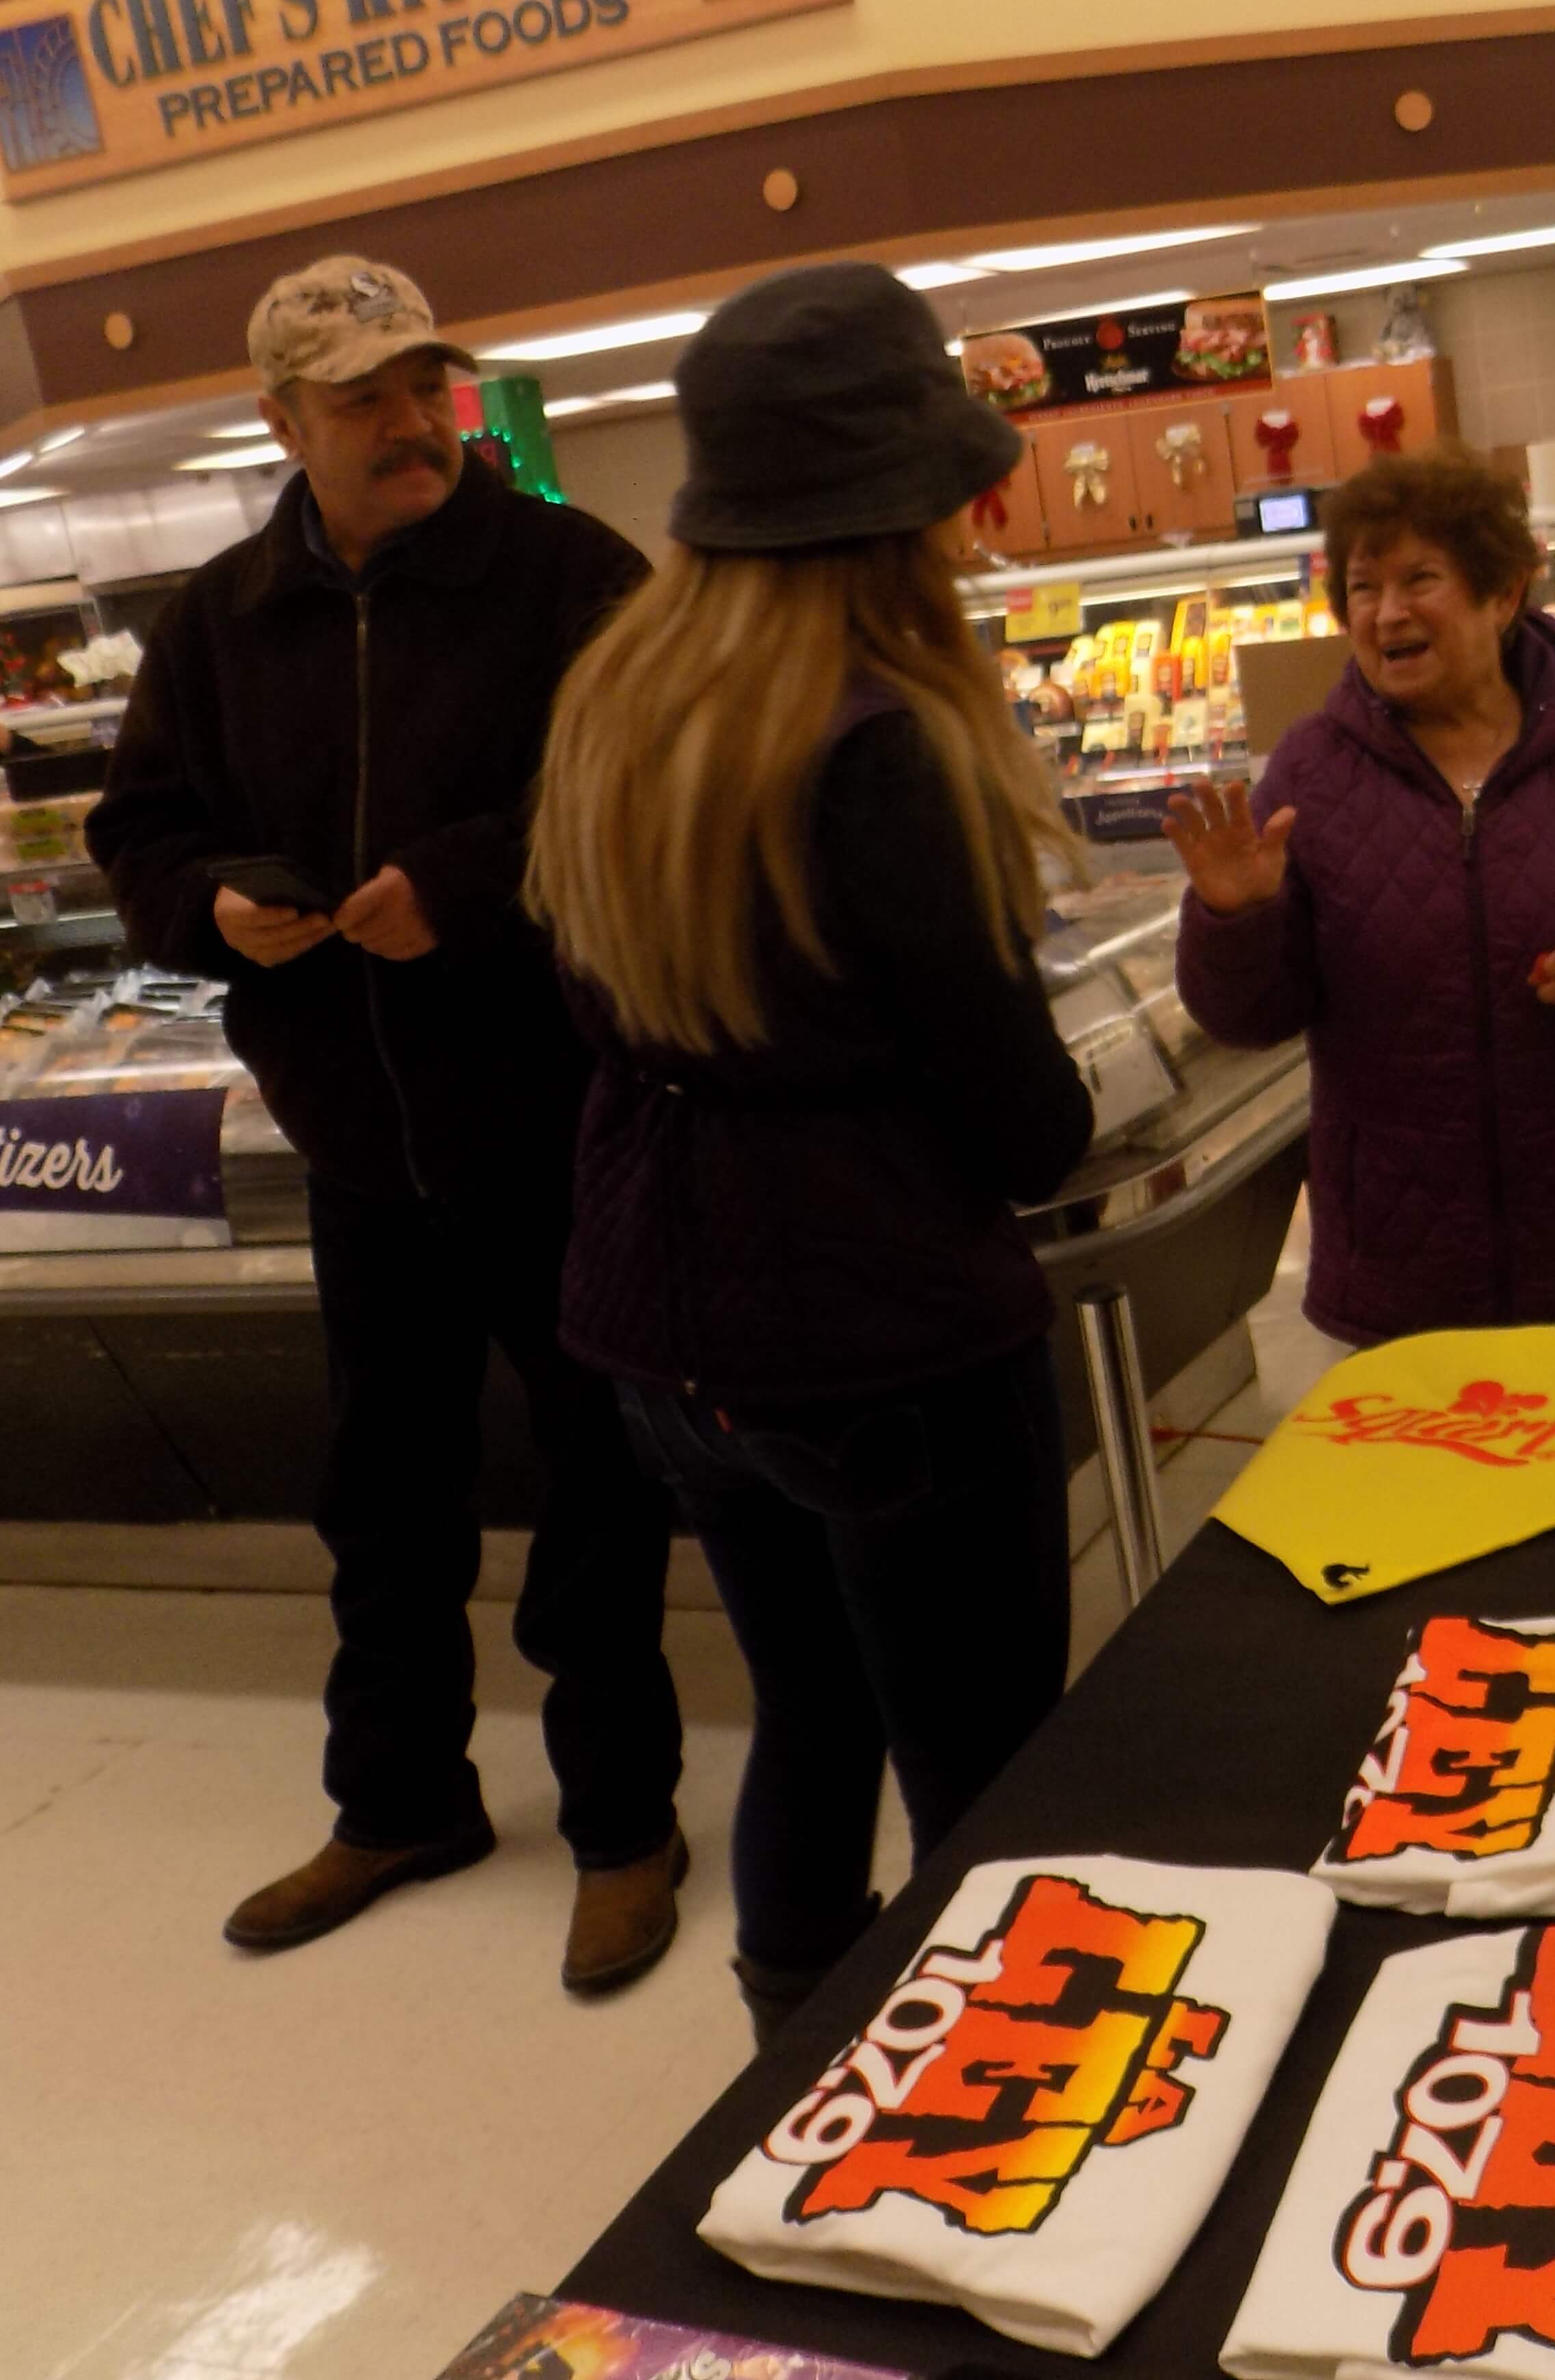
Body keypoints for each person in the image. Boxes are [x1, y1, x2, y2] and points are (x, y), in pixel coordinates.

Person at [87, 256, 688, 1993]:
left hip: (557, 1126)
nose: (416, 422)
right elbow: (138, 840)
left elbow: (645, 796)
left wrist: (469, 889)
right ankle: (402, 1801)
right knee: (383, 1498)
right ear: (283, 423)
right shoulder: (217, 621)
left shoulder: (572, 576)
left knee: (599, 1486)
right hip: (356, 1145)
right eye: (366, 399)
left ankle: (624, 1825)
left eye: (429, 385)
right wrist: (213, 906)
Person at [527, 264, 1094, 2046]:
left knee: (810, 1710)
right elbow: (1027, 1132)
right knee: (987, 1770)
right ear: (895, 514)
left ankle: (798, 2063)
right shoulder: (886, 747)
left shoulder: (617, 706)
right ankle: (991, 2093)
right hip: (886, 1346)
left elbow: (605, 1009)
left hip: (667, 1337)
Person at [1166, 448, 1555, 1343]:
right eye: (1364, 588)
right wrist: (1235, 919)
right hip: (1401, 1279)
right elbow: (1248, 1019)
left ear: (1501, 592)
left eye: (1420, 580)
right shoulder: (1311, 773)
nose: (1388, 612)